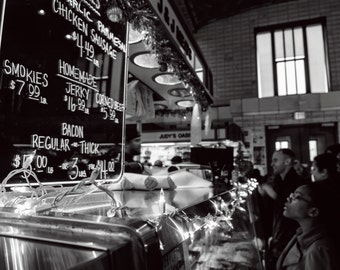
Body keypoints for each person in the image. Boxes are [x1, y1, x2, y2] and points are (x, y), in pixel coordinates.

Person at [276, 182, 339, 270]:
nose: (288, 198)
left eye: (296, 197)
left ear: (313, 212)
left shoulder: (318, 249)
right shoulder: (300, 236)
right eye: (292, 195)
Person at [261, 148, 306, 270]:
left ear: (287, 162)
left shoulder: (297, 182)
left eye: (275, 160)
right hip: (278, 237)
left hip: (290, 241)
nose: (271, 164)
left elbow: (292, 212)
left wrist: (271, 193)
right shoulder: (279, 180)